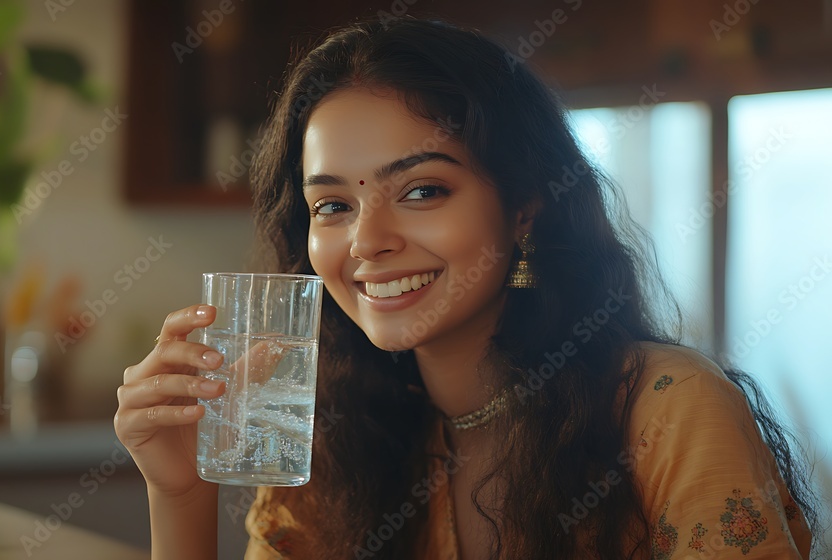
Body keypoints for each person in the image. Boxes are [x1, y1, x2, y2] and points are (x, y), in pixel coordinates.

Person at [114, 16, 826, 560]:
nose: (366, 242)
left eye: (422, 190)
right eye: (332, 205)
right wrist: (179, 492)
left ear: (524, 208)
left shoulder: (664, 409)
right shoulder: (329, 433)